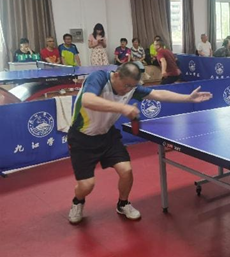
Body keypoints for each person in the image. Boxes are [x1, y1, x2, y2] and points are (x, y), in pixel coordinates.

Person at [67, 62, 213, 225]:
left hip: (107, 135)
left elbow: (158, 94)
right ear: (117, 75)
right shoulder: (99, 78)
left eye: (132, 86)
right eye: (126, 85)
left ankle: (123, 203)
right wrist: (122, 108)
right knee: (87, 185)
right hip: (82, 138)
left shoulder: (131, 88)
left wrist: (188, 98)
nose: (128, 90)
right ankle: (78, 202)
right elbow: (88, 100)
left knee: (126, 171)